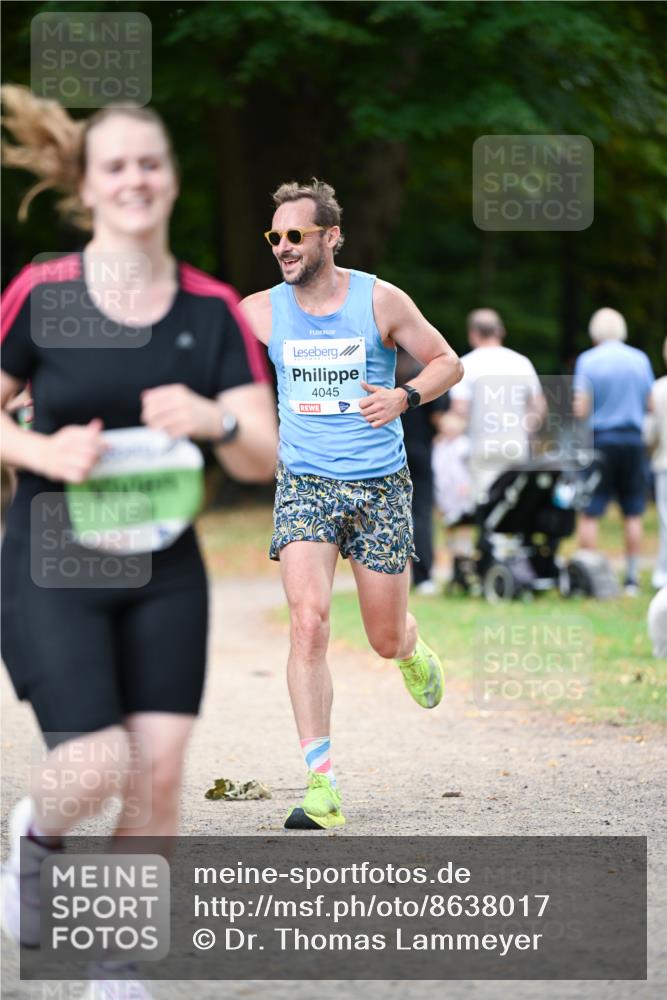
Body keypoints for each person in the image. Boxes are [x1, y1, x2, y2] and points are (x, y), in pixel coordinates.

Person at [0, 87, 277, 994]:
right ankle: (36, 840)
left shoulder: (209, 308)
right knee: (97, 759)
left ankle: (115, 964)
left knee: (157, 775)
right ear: (87, 183)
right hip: (55, 556)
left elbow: (265, 454)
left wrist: (214, 420)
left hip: (165, 568)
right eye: (115, 164)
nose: (135, 179)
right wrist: (43, 447)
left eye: (150, 162)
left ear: (173, 178)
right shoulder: (43, 294)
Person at [240, 178, 462, 830]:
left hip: (379, 485)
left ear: (330, 237)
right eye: (273, 236)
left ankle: (411, 648)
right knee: (307, 622)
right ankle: (320, 784)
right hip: (305, 481)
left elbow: (447, 361)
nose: (282, 247)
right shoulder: (257, 310)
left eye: (295, 235)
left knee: (382, 636)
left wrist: (404, 397)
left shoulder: (380, 300)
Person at [573, 308, 654, 596]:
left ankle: (591, 579)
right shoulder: (640, 359)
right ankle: (631, 578)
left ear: (595, 333)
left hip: (600, 442)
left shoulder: (588, 360)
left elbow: (580, 407)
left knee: (590, 510)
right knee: (633, 510)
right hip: (633, 441)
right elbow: (651, 403)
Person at [448, 308, 543, 504]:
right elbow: (538, 405)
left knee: (485, 504)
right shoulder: (521, 362)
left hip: (482, 445)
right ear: (500, 331)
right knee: (514, 505)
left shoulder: (466, 365)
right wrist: (527, 430)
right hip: (517, 444)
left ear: (473, 334)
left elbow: (460, 410)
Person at [395, 347, 449, 595]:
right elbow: (439, 417)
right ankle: (423, 575)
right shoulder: (425, 375)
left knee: (389, 515)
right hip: (420, 450)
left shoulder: (387, 372)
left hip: (389, 453)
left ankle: (391, 575)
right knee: (421, 513)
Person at [644, 337, 667, 590]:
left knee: (666, 521)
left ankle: (663, 577)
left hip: (664, 463)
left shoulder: (659, 389)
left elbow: (651, 432)